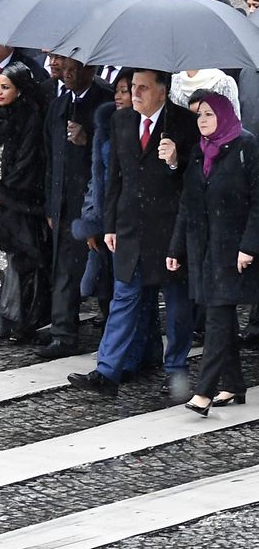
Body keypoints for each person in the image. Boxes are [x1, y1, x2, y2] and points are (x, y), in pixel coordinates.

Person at [68, 69, 199, 399]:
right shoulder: (121, 120)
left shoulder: (183, 123)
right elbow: (115, 178)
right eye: (132, 88)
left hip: (170, 230)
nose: (135, 93)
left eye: (143, 88)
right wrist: (109, 224)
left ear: (162, 91)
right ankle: (106, 371)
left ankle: (176, 371)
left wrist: (175, 161)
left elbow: (197, 178)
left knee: (176, 304)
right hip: (130, 228)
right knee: (123, 298)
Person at [168, 90, 259, 415]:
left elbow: (258, 201)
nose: (202, 121)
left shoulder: (246, 146)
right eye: (198, 115)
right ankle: (233, 384)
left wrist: (249, 245)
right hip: (204, 248)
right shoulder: (199, 151)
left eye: (208, 114)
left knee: (219, 316)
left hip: (233, 249)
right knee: (219, 314)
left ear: (223, 113)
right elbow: (187, 202)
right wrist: (176, 246)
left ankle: (204, 392)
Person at [38, 58, 113, 358]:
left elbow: (113, 154)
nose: (67, 74)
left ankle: (110, 329)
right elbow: (49, 158)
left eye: (74, 69)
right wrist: (49, 204)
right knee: (64, 270)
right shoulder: (59, 105)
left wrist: (88, 139)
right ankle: (63, 332)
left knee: (103, 271)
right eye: (63, 68)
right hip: (63, 202)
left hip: (94, 200)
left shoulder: (104, 103)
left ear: (90, 70)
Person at [0, 61, 48, 340]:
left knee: (14, 257)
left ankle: (15, 317)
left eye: (6, 87)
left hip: (16, 201)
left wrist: (4, 192)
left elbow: (27, 163)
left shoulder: (30, 117)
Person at [72, 70, 136, 317]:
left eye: (125, 91)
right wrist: (91, 220)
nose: (119, 96)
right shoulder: (107, 122)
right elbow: (96, 177)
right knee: (107, 287)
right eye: (118, 90)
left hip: (130, 217)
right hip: (107, 214)